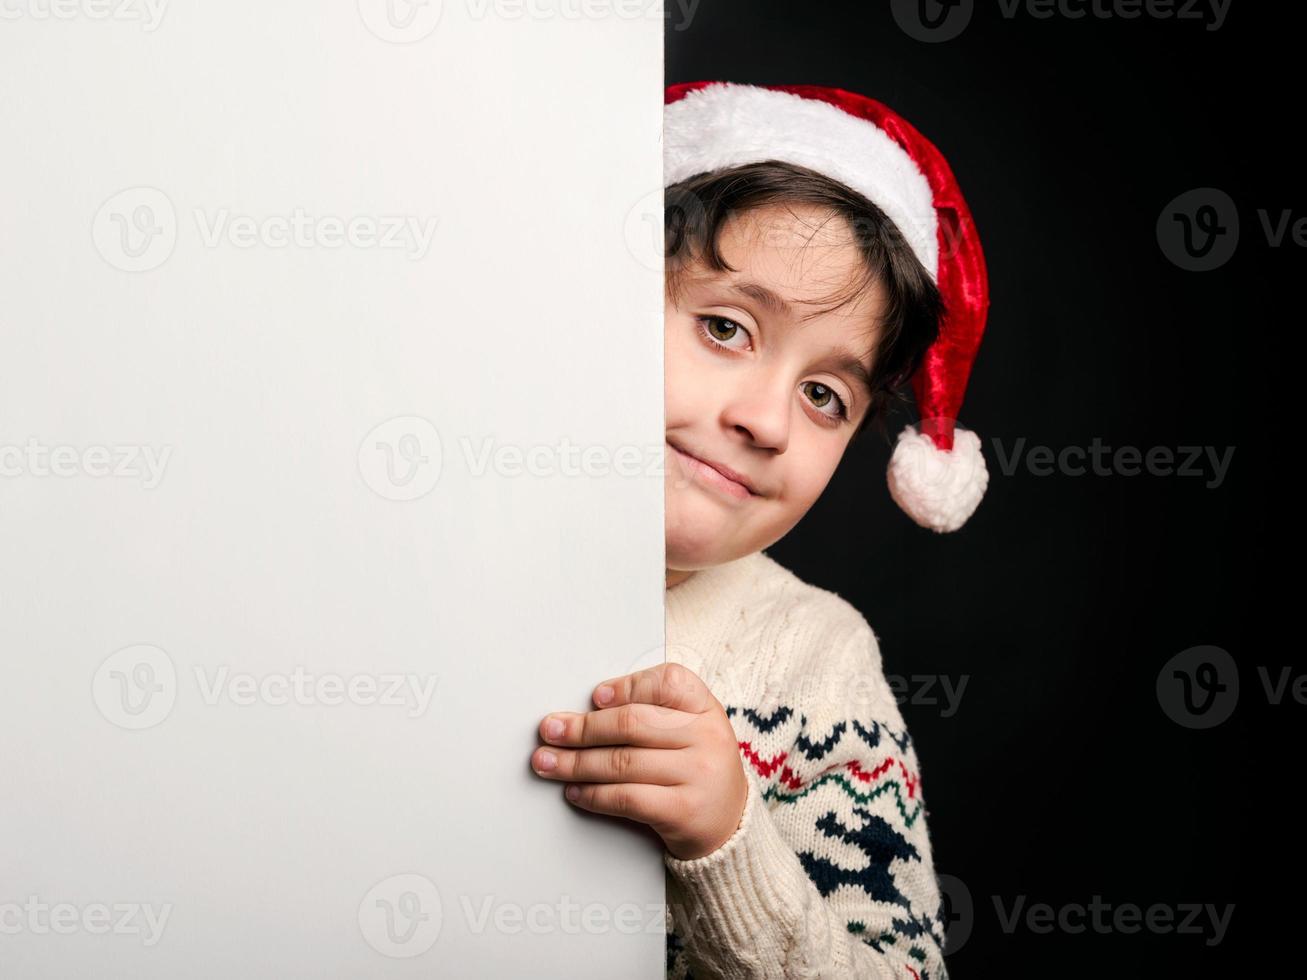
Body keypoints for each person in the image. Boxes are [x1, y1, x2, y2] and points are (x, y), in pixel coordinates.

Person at [530, 81, 991, 979]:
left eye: (825, 396)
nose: (768, 423)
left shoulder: (813, 660)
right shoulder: (427, 554)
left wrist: (727, 840)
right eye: (726, 327)